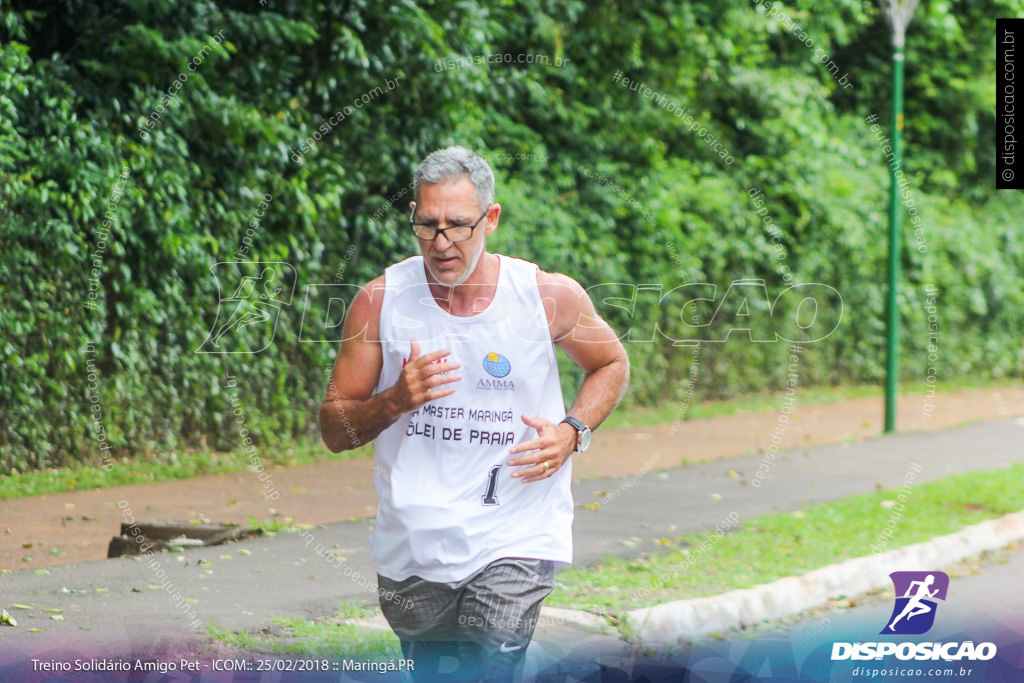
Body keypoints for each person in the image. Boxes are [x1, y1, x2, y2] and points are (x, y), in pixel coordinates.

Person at [320, 146, 629, 680]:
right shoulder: (380, 300)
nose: (442, 243)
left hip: (516, 531)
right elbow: (333, 428)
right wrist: (396, 399)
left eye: (459, 226)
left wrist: (571, 431)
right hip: (415, 541)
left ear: (491, 218)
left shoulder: (546, 296)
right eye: (428, 225)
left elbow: (611, 364)